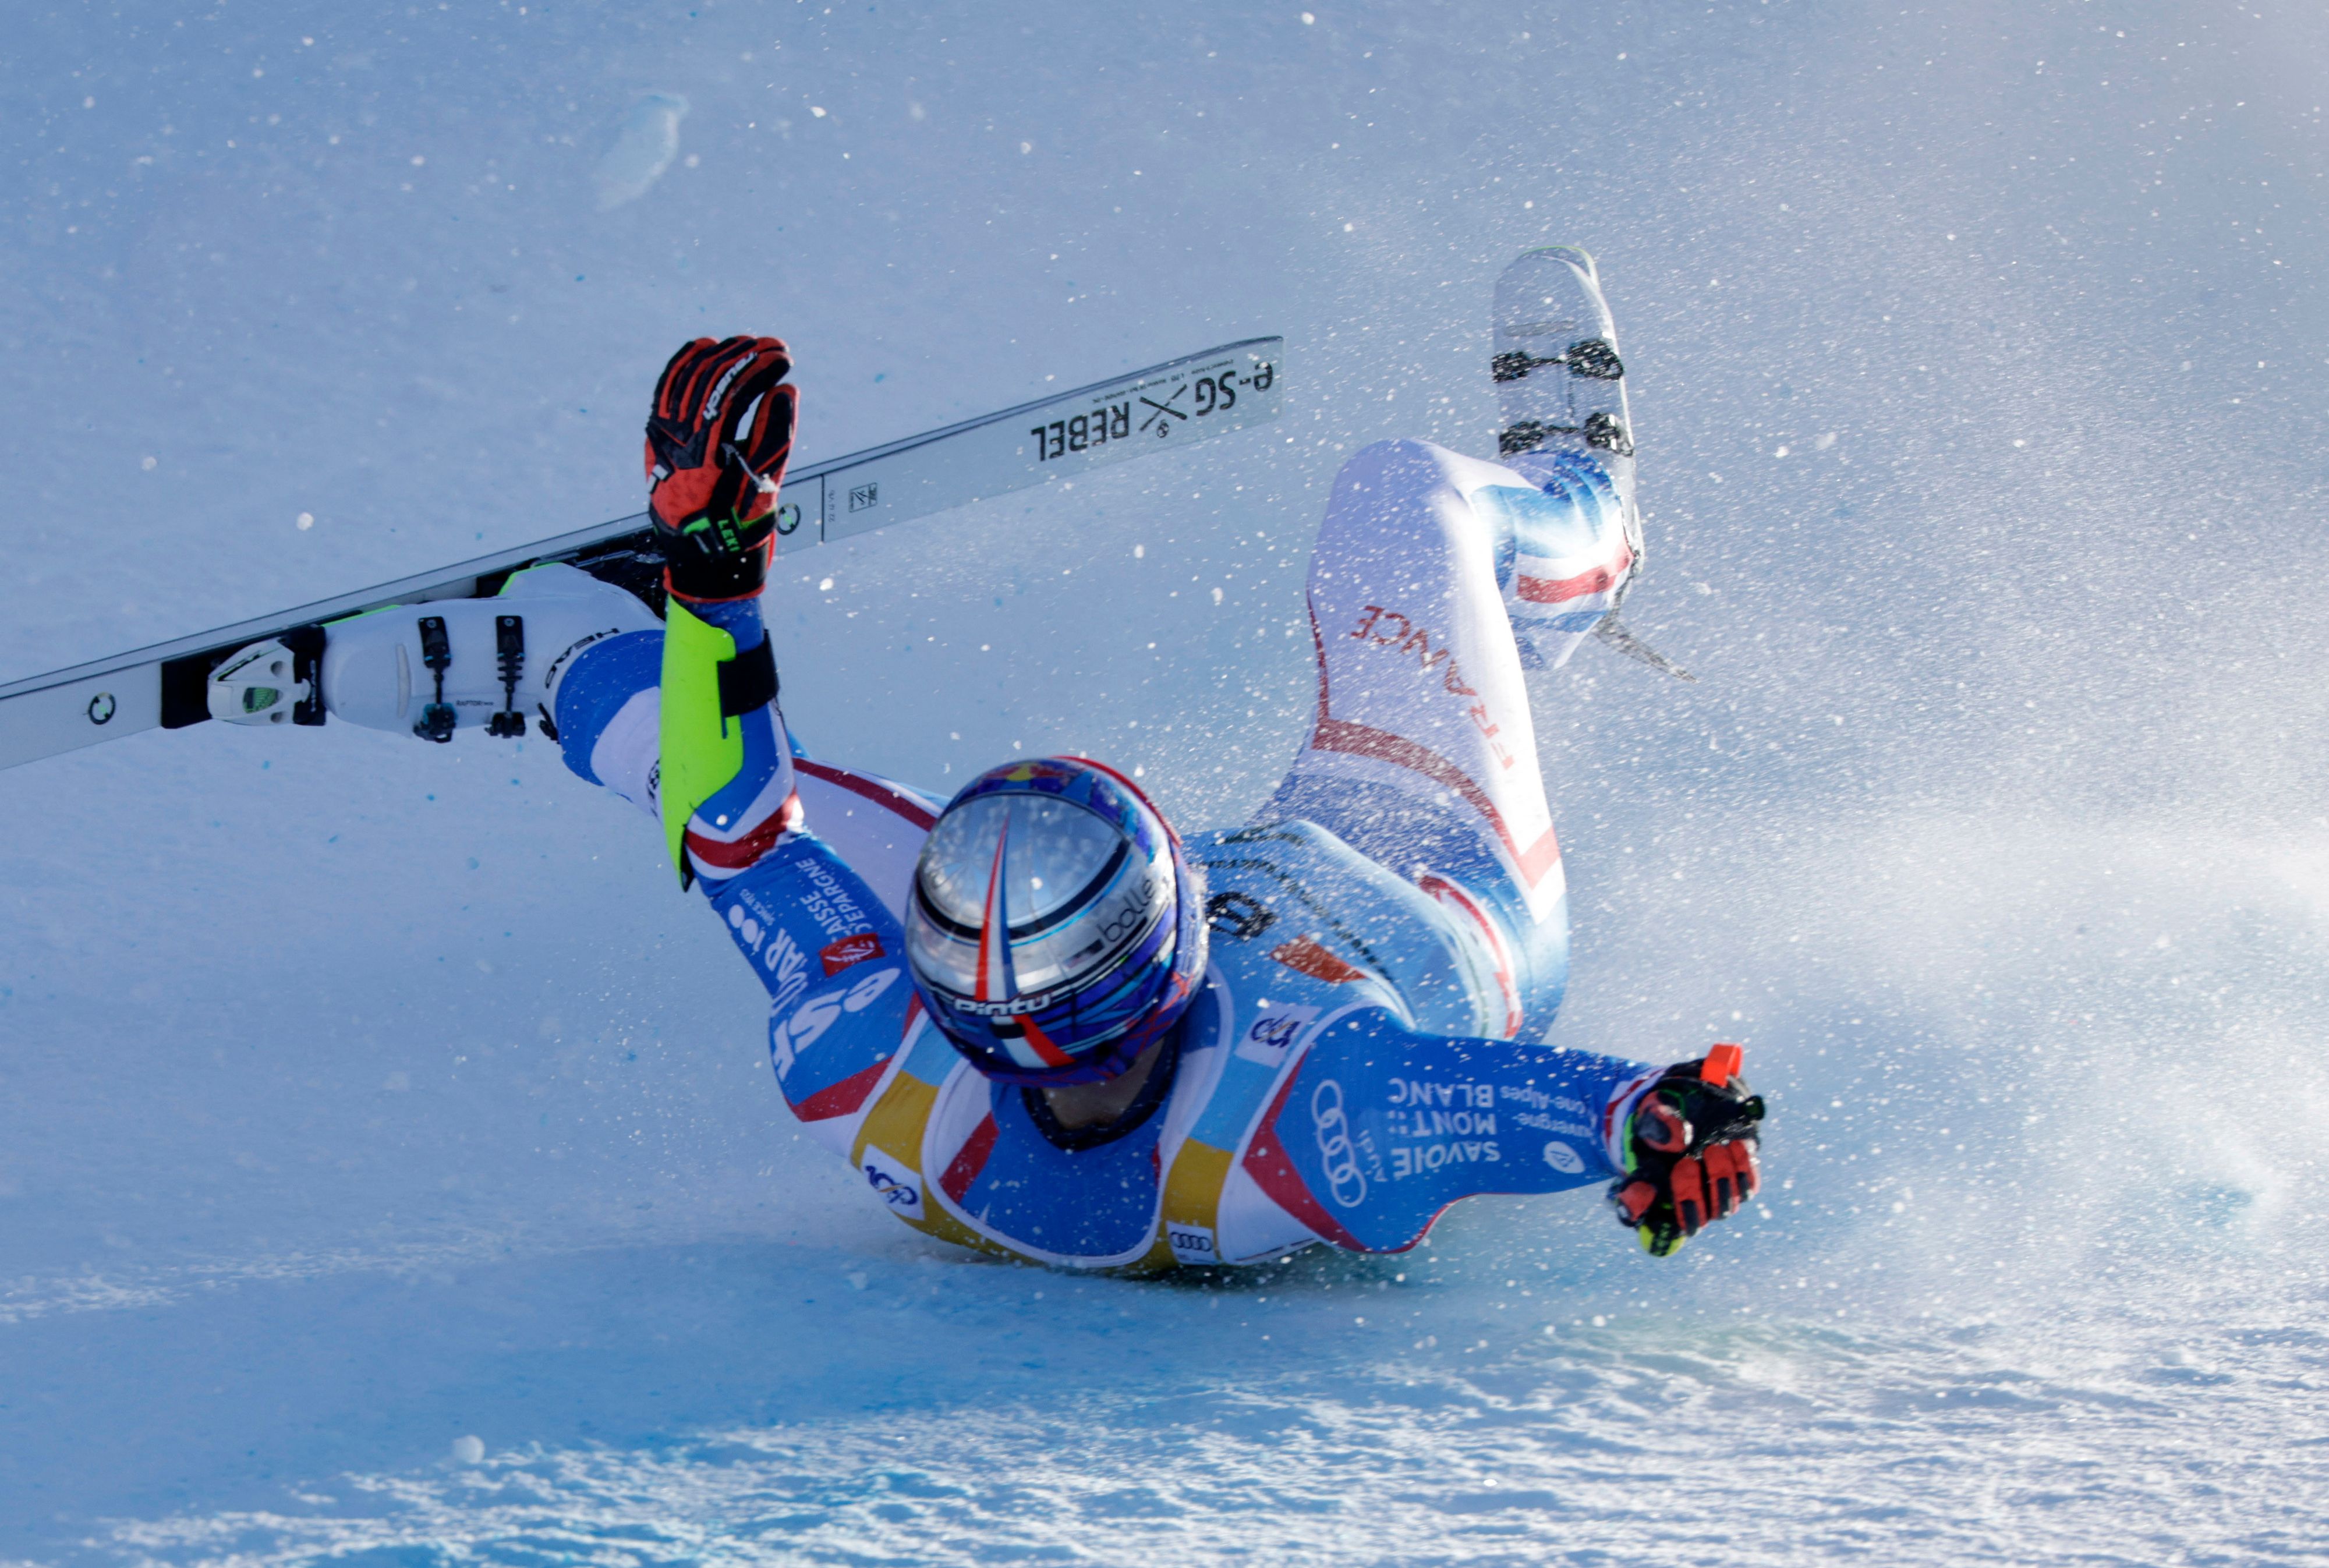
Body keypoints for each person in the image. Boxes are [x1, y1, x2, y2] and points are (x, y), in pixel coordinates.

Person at [306, 249, 1765, 1270]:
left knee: (718, 808)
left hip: (1196, 924)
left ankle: (574, 666)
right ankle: (1588, 518)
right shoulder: (1311, 1122)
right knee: (1401, 498)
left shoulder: (871, 1058)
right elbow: (1527, 1108)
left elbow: (739, 832)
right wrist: (1653, 1118)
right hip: (1429, 857)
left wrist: (714, 582)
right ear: (1171, 928)